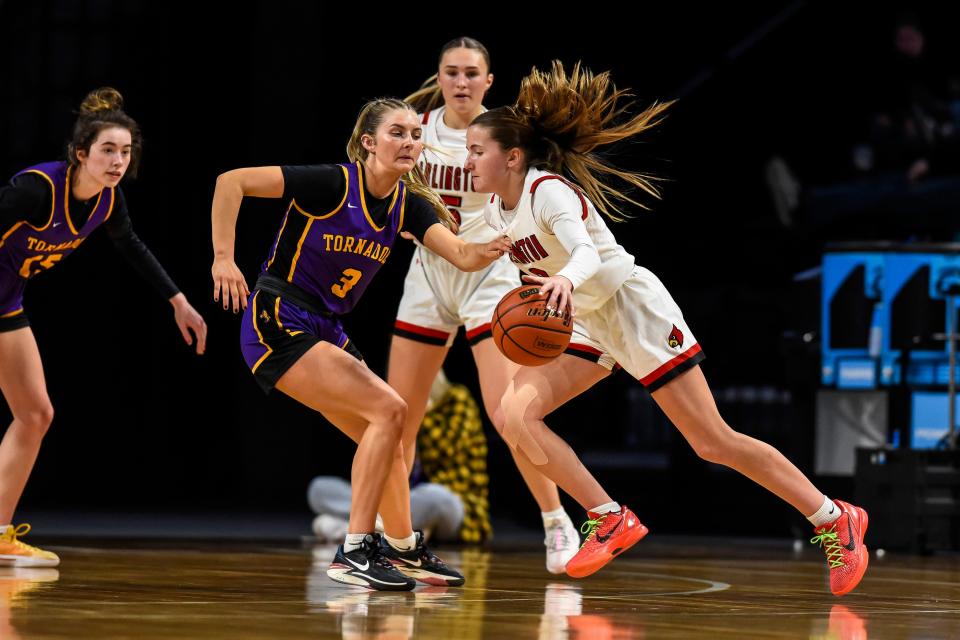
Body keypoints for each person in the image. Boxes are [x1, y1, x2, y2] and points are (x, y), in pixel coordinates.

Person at [465, 61, 869, 596]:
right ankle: (608, 515)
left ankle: (831, 515)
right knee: (514, 415)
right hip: (586, 320)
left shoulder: (547, 192)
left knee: (712, 442)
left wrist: (562, 279)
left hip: (632, 307)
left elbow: (585, 251)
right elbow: (475, 248)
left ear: (511, 157)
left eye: (475, 151)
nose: (466, 159)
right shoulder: (496, 209)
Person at [210, 97, 510, 591]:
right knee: (392, 410)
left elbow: (460, 253)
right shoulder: (331, 182)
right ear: (369, 142)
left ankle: (402, 547)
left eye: (416, 134)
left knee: (390, 438)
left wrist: (504, 241)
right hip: (279, 315)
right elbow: (231, 181)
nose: (410, 142)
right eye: (397, 133)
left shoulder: (407, 205)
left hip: (326, 326)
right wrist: (224, 258)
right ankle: (354, 550)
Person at [390, 37, 579, 573]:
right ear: (439, 75)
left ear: (489, 81)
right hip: (429, 274)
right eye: (452, 72)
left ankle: (555, 521)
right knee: (398, 419)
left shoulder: (504, 134)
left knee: (510, 415)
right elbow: (379, 184)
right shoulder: (415, 130)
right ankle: (394, 537)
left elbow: (539, 188)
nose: (461, 82)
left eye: (472, 73)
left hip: (490, 276)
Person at [0, 88, 207, 567]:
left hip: (7, 306)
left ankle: (1, 531)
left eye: (126, 151)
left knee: (35, 415)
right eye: (107, 150)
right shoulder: (35, 191)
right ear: (81, 154)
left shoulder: (107, 203)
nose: (118, 160)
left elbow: (131, 245)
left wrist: (179, 301)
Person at [308, 369, 492, 545]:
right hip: (395, 496)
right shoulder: (394, 408)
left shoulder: (457, 399)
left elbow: (449, 449)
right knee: (320, 488)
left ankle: (358, 527)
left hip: (447, 501)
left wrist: (418, 417)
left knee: (437, 498)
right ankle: (391, 530)